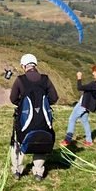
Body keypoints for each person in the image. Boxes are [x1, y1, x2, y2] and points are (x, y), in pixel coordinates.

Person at [8, 53, 59, 181]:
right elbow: (54, 98)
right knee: (41, 141)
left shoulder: (20, 80)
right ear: (35, 65)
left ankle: (17, 171)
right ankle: (38, 172)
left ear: (24, 66)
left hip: (24, 120)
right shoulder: (45, 79)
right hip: (43, 120)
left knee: (18, 142)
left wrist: (22, 105)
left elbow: (13, 99)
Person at [61, 64, 96, 148]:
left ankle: (67, 140)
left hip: (83, 104)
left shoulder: (94, 85)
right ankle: (89, 141)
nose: (93, 73)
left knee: (71, 119)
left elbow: (80, 87)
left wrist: (79, 77)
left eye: (94, 72)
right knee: (85, 121)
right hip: (89, 106)